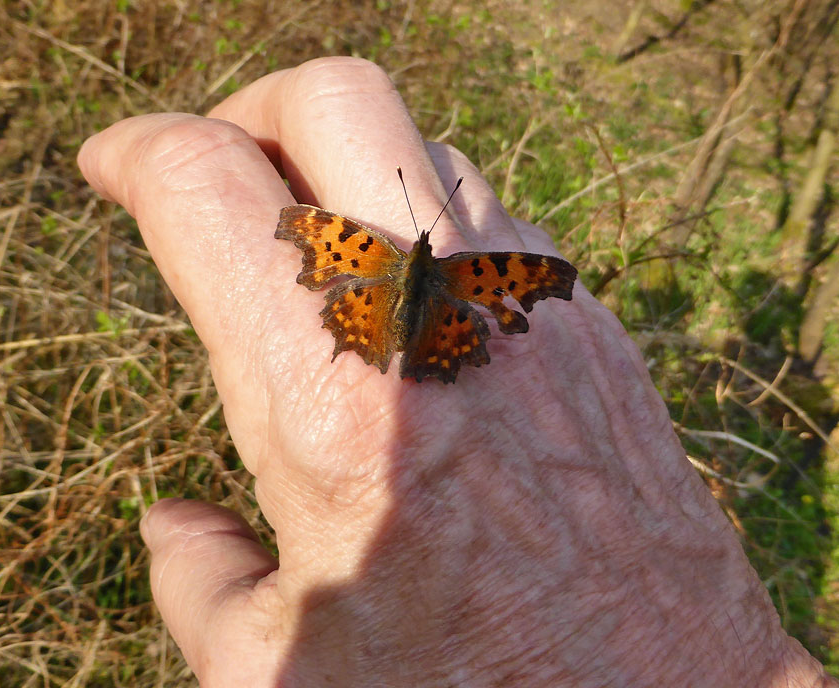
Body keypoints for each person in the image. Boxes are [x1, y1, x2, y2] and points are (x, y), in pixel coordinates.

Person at [78, 57, 835, 687]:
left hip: (376, 303)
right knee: (428, 335)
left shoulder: (370, 250)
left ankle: (396, 341)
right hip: (430, 314)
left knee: (383, 327)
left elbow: (354, 245)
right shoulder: (470, 271)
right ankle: (415, 347)